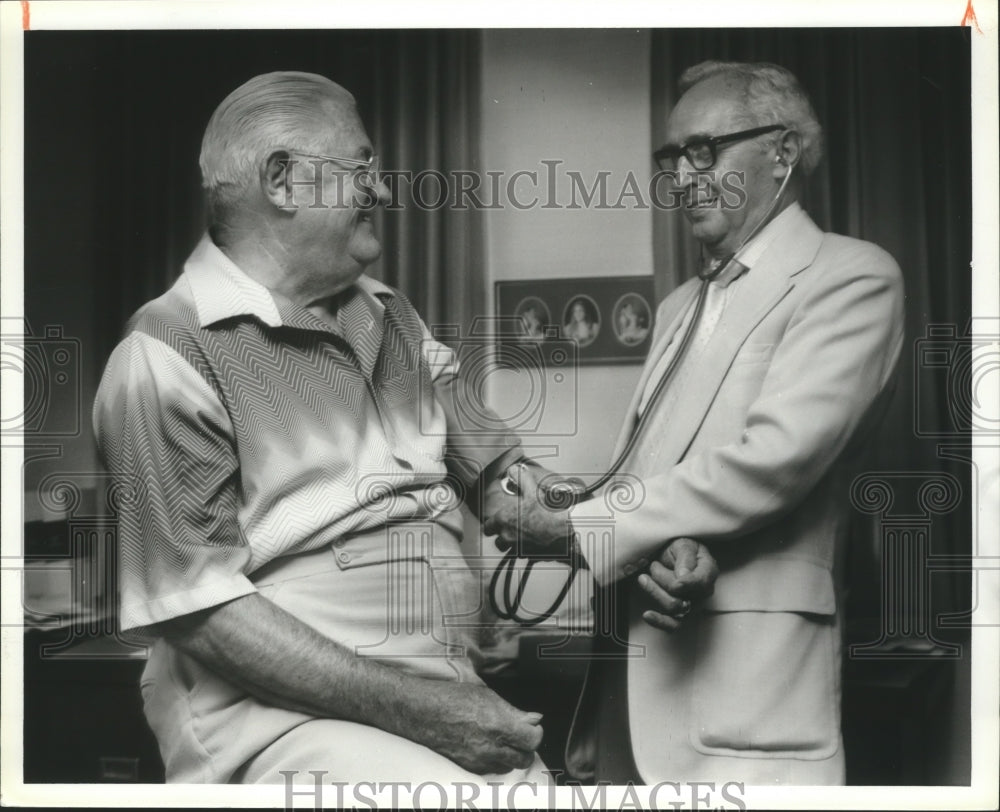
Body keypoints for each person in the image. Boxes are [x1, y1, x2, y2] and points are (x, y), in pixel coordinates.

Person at [93, 71, 710, 785]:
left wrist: (636, 539)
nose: (384, 192)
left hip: (433, 701)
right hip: (279, 726)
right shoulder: (164, 355)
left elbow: (510, 490)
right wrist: (428, 713)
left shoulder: (391, 317)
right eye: (362, 168)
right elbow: (202, 615)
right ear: (283, 180)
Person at [485, 60, 905, 785]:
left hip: (746, 697)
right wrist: (563, 507)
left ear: (782, 151)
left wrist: (583, 529)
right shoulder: (680, 305)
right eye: (671, 156)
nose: (681, 176)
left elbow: (771, 461)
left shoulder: (852, 276)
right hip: (623, 681)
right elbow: (656, 482)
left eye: (703, 150)